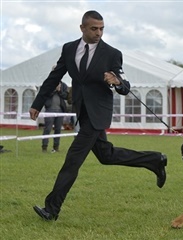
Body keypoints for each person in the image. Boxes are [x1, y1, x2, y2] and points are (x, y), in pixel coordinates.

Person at [29, 10, 167, 221]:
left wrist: (117, 82)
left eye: (102, 29)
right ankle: (155, 159)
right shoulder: (68, 49)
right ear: (82, 28)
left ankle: (52, 209)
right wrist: (37, 103)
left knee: (72, 160)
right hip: (82, 112)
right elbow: (53, 78)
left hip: (98, 114)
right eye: (94, 28)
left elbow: (124, 84)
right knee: (106, 156)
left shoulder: (112, 54)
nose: (99, 33)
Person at [41, 80, 68, 153]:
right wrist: (54, 89)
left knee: (58, 129)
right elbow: (45, 94)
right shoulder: (48, 83)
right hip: (49, 110)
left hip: (60, 111)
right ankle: (44, 147)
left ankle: (56, 147)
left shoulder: (64, 85)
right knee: (47, 129)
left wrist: (59, 90)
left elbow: (66, 96)